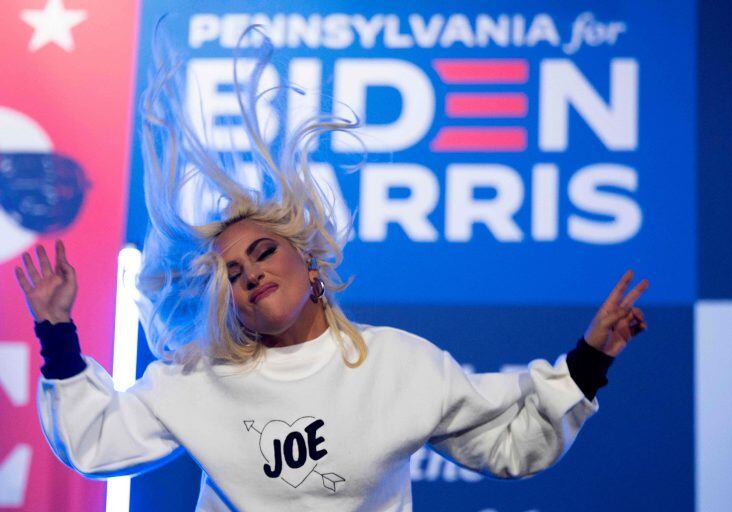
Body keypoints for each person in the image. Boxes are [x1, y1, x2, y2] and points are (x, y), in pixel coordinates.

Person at [14, 26, 648, 512]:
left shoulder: (400, 365)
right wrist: (58, 335)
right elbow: (97, 441)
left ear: (309, 260)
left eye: (263, 253)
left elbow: (511, 447)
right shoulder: (199, 379)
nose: (251, 274)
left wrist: (590, 360)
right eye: (232, 273)